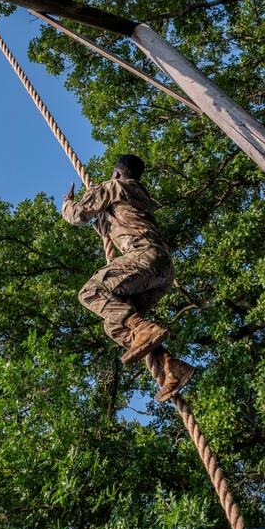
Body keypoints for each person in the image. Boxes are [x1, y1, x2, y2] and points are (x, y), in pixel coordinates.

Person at [61, 154, 195, 403]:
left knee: (90, 292)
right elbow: (108, 228)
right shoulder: (138, 195)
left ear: (116, 174)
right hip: (162, 270)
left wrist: (68, 203)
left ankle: (143, 327)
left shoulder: (114, 186)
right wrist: (97, 200)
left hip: (144, 257)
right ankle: (171, 366)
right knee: (114, 324)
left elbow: (77, 215)